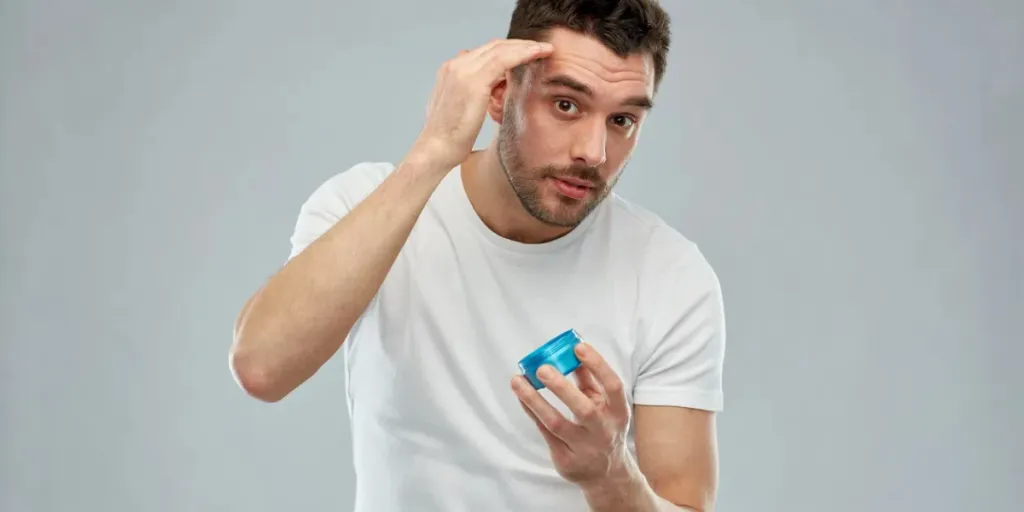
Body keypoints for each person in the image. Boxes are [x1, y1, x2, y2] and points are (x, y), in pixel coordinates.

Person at [229, 1, 726, 510]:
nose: (593, 152)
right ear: (499, 94)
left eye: (622, 119)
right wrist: (435, 149)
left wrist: (608, 474)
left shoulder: (672, 276)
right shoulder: (365, 204)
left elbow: (685, 500)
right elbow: (263, 369)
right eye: (566, 105)